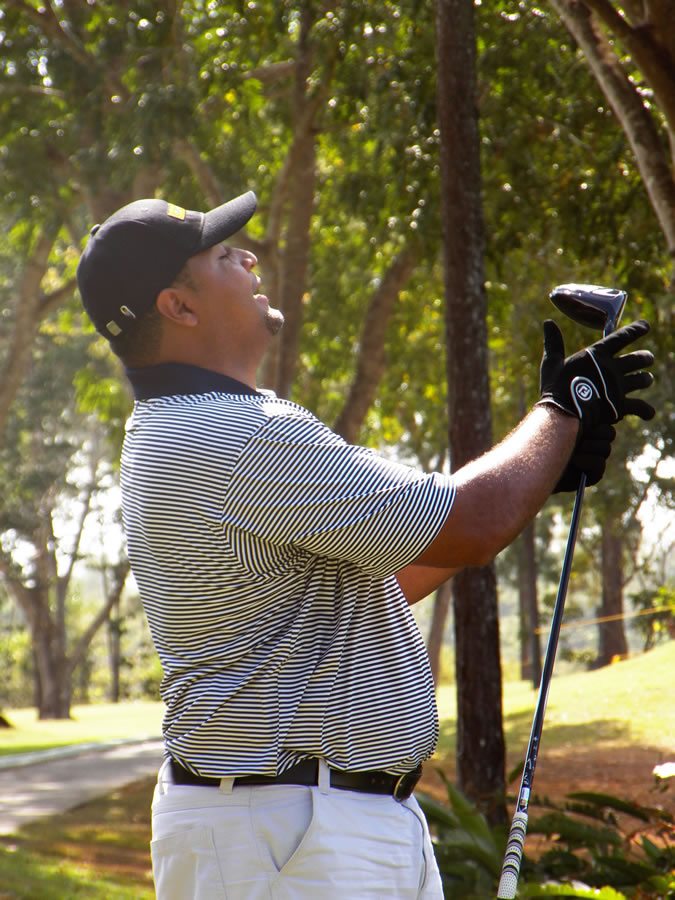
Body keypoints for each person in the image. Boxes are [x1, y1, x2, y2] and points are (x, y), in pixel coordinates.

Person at [76, 191, 655, 900]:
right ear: (179, 307)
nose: (250, 258)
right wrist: (562, 409)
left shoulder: (195, 426)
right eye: (224, 256)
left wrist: (540, 470)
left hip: (301, 827)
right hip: (291, 834)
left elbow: (386, 578)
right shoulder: (228, 434)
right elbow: (470, 522)